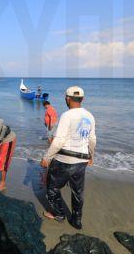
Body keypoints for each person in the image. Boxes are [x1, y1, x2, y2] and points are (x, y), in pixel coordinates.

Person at [40, 86, 96, 230]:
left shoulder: (67, 115)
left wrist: (47, 157)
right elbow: (92, 139)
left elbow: (58, 141)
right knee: (77, 192)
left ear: (67, 98)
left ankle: (59, 214)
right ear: (82, 99)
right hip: (81, 160)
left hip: (64, 160)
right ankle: (77, 221)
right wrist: (91, 155)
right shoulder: (89, 116)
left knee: (52, 188)